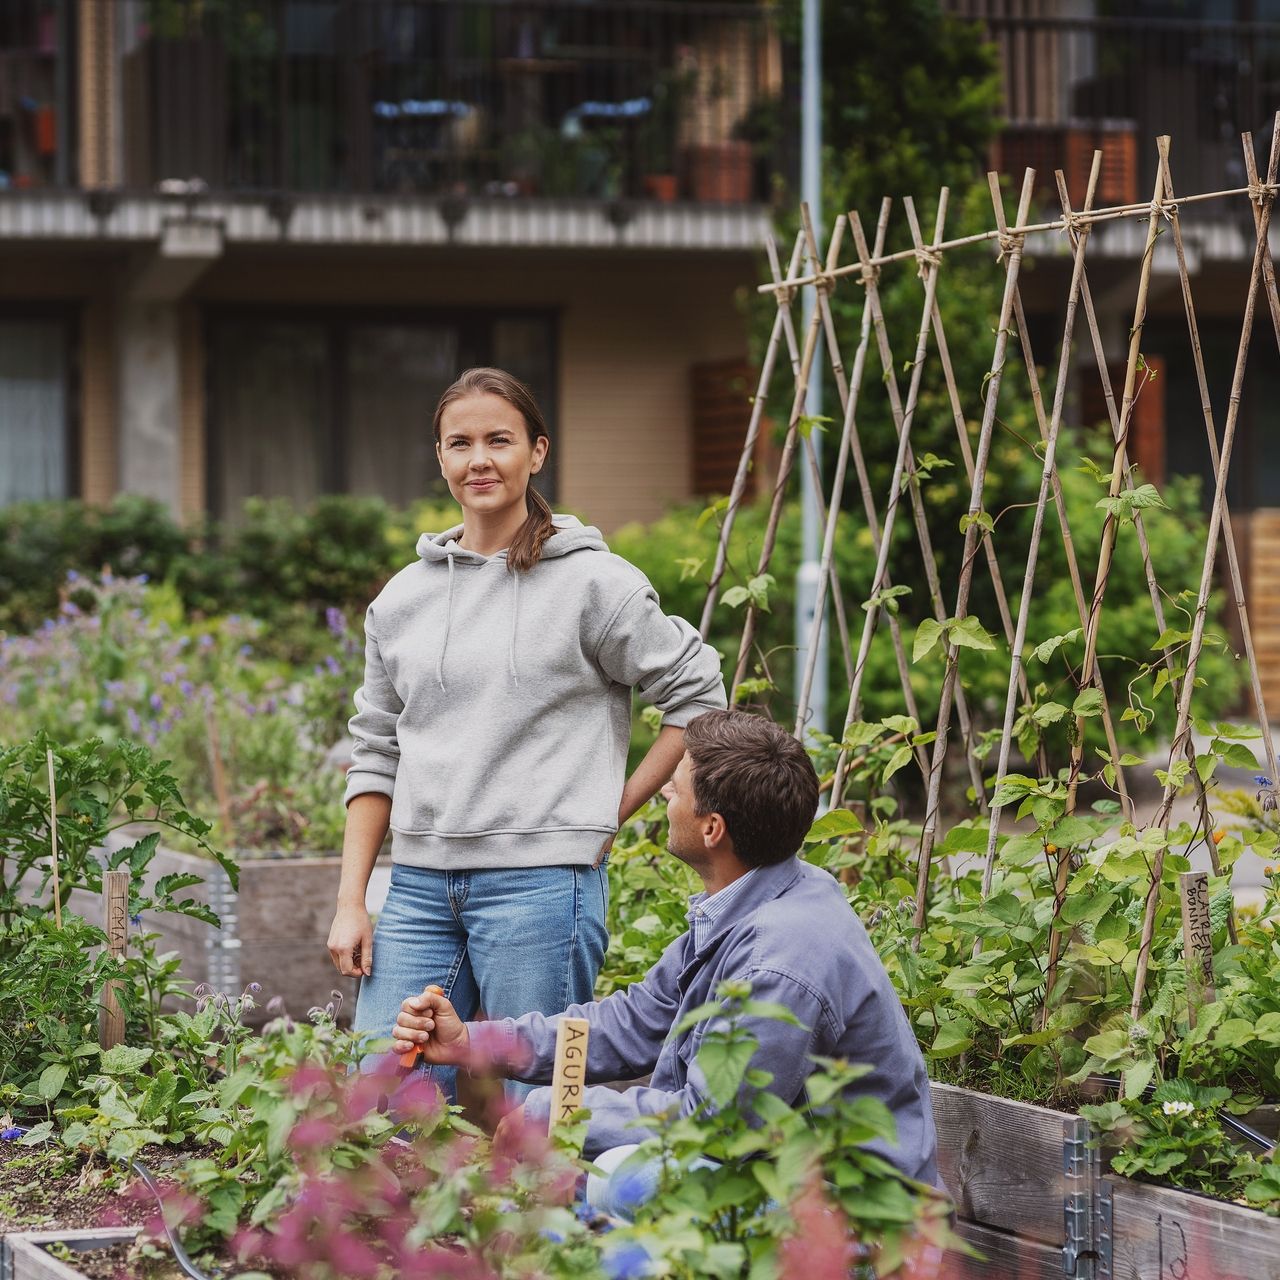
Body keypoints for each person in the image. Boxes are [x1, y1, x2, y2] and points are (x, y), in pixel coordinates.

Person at [327, 367, 726, 1095]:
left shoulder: (594, 584)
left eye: (499, 440)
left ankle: (550, 1213)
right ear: (441, 458)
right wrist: (353, 899)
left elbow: (697, 695)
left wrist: (611, 808)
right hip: (417, 887)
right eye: (460, 443)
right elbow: (375, 749)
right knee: (379, 1097)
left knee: (533, 1103)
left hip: (541, 887)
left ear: (536, 452)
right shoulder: (402, 600)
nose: (479, 459)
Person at [389, 708, 939, 1186]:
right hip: (773, 1172)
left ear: (712, 829)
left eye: (679, 785)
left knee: (619, 1184)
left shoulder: (782, 963)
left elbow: (713, 1124)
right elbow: (631, 1023)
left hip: (856, 1227)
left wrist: (560, 1113)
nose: (666, 792)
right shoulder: (757, 897)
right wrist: (472, 1041)